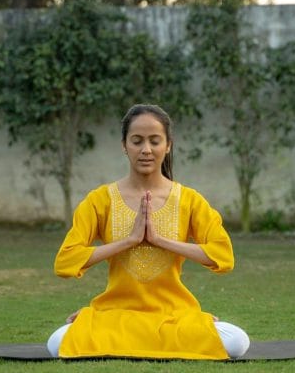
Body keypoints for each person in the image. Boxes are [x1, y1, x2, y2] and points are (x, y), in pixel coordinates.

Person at [47, 104, 250, 360]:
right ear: (124, 145)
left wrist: (160, 240)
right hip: (117, 314)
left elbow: (223, 257)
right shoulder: (100, 200)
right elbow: (65, 263)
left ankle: (118, 340)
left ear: (168, 145)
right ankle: (124, 334)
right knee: (56, 343)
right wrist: (128, 241)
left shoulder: (189, 200)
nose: (146, 150)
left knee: (237, 341)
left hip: (173, 315)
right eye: (137, 141)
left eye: (155, 141)